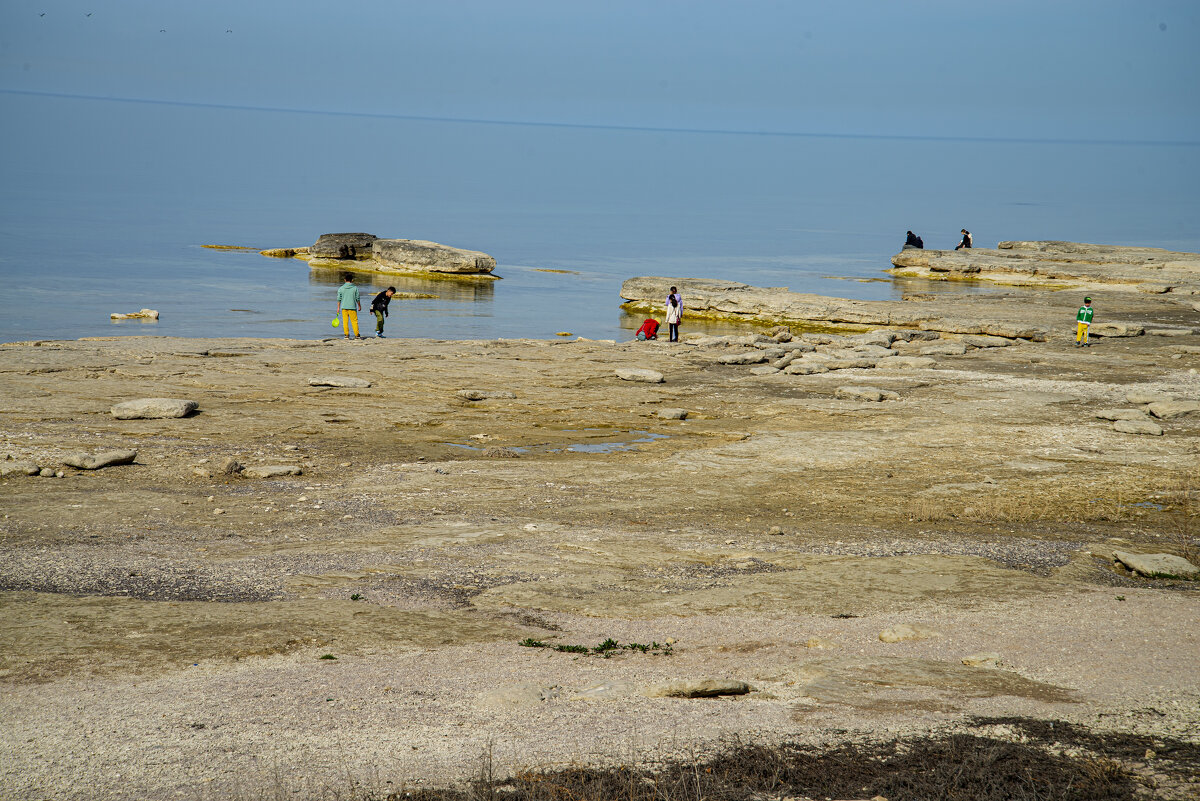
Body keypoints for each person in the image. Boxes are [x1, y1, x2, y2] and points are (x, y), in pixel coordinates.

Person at [336, 273, 362, 339]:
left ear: (345, 280)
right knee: (354, 321)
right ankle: (356, 335)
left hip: (344, 307)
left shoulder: (341, 288)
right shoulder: (355, 288)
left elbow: (339, 299)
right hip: (352, 307)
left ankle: (346, 335)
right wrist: (359, 306)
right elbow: (357, 298)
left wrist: (338, 308)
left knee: (345, 321)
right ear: (352, 280)